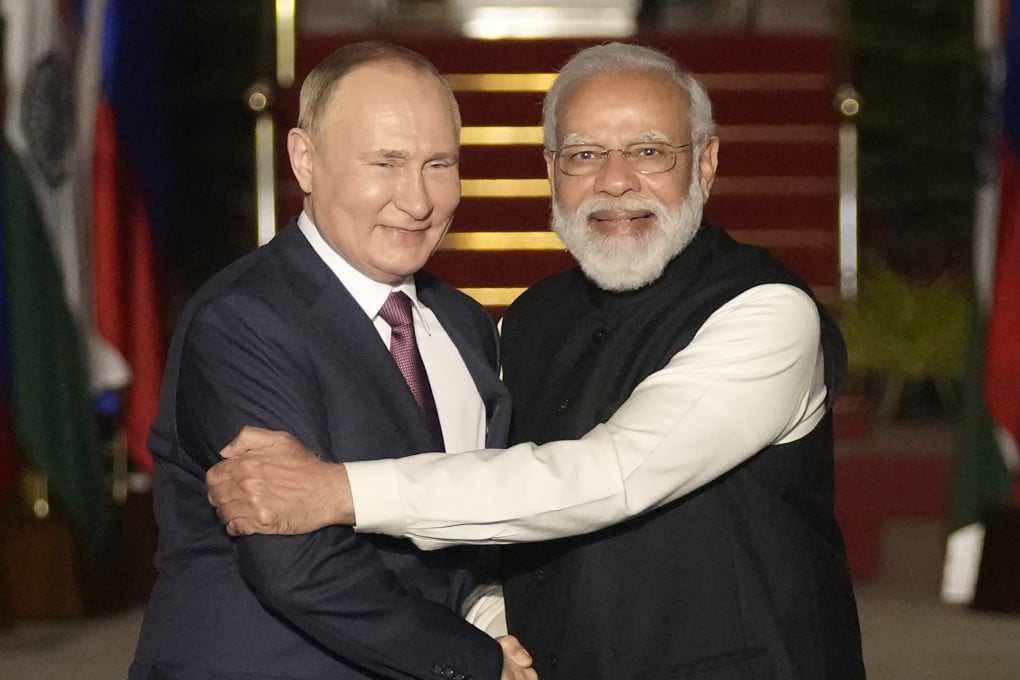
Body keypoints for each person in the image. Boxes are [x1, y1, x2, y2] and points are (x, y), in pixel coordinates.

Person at [208, 42, 866, 679]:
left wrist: (339, 490)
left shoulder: (768, 314)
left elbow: (610, 476)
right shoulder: (525, 320)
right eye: (584, 154)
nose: (614, 181)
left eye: (648, 152)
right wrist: (492, 630)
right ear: (552, 169)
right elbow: (496, 512)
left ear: (705, 163)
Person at [129, 41, 536, 680]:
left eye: (439, 164)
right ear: (305, 160)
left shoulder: (463, 324)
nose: (419, 199)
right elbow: (300, 566)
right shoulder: (244, 320)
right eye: (386, 163)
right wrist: (478, 663)